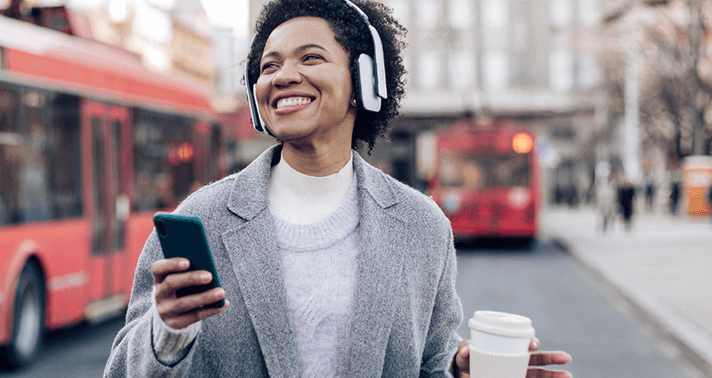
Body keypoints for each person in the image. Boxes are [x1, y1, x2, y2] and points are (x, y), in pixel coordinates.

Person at [103, 1, 572, 376]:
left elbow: (432, 357)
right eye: (269, 66)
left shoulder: (421, 225)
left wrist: (457, 367)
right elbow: (122, 370)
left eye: (311, 57)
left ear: (362, 83)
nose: (283, 75)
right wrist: (166, 330)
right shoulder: (202, 218)